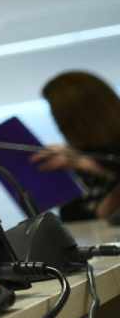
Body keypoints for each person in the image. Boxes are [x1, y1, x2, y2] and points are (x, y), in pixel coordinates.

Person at [33, 71, 120, 219]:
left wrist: (92, 165)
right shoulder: (74, 159)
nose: (57, 124)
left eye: (57, 115)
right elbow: (71, 217)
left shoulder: (98, 158)